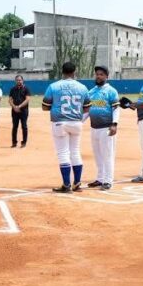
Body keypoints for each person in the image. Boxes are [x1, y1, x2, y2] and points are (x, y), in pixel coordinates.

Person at [42, 61, 90, 193]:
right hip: (76, 122)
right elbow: (87, 108)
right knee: (75, 152)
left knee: (63, 153)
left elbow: (44, 106)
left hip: (60, 122)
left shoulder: (54, 86)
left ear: (62, 71)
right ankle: (77, 183)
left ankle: (67, 184)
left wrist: (55, 107)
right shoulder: (82, 87)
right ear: (74, 72)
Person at [86, 66, 119, 189]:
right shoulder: (91, 92)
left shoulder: (111, 91)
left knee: (107, 155)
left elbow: (116, 109)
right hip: (94, 127)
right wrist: (79, 121)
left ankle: (108, 181)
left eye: (101, 74)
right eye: (97, 74)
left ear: (106, 76)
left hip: (106, 128)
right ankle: (100, 178)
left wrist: (114, 124)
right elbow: (87, 111)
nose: (98, 76)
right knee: (98, 155)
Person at [8, 75, 30, 148]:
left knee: (24, 126)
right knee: (15, 126)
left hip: (24, 111)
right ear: (15, 81)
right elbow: (10, 100)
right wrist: (14, 107)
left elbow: (27, 100)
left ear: (22, 80)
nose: (19, 81)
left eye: (20, 80)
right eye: (17, 80)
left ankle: (24, 143)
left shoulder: (26, 89)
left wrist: (19, 106)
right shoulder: (12, 89)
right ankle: (14, 142)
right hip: (14, 111)